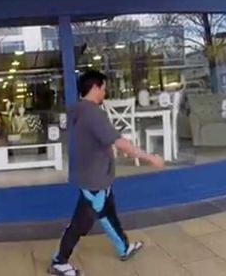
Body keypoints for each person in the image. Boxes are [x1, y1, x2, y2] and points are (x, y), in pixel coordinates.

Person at [48, 70, 165, 276]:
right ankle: (59, 261)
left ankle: (123, 248)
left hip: (97, 176)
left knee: (108, 214)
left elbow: (92, 140)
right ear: (94, 88)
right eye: (103, 88)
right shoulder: (93, 113)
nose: (104, 92)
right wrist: (151, 158)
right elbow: (121, 143)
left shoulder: (77, 111)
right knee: (80, 224)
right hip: (93, 181)